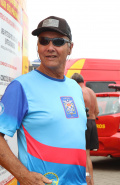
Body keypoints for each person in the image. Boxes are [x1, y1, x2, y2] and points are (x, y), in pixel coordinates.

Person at [0, 16, 87, 185]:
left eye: (58, 42)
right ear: (38, 46)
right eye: (44, 41)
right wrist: (23, 175)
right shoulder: (21, 87)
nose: (50, 47)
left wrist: (88, 173)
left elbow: (78, 137)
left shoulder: (75, 88)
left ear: (70, 48)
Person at [71, 73, 99, 185]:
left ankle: (88, 182)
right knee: (88, 155)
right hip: (92, 122)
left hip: (84, 123)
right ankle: (91, 181)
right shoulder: (91, 91)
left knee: (84, 155)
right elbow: (97, 111)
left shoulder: (79, 91)